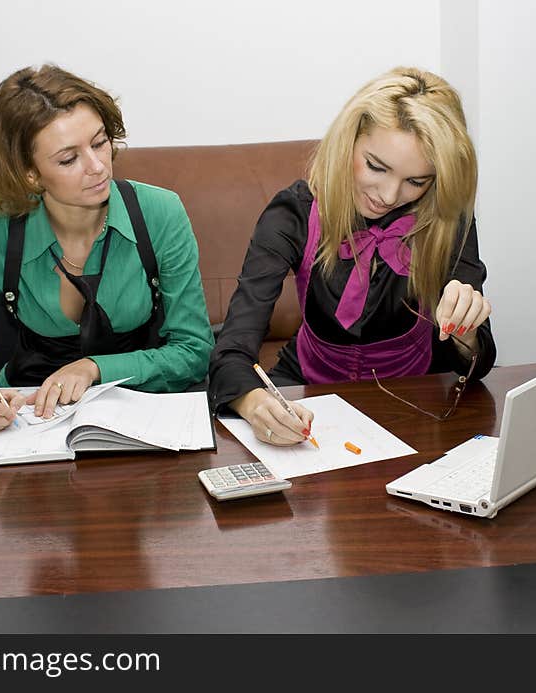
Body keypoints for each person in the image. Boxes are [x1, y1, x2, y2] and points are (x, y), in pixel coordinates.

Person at [0, 64, 214, 433]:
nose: (97, 167)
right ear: (29, 173)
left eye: (100, 142)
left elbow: (194, 351)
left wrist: (94, 368)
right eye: (68, 159)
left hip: (145, 415)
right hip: (29, 425)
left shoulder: (160, 212)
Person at [209, 66, 496, 446]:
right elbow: (232, 350)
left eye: (416, 181)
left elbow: (477, 363)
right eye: (377, 167)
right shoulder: (293, 213)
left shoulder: (448, 218)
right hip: (307, 389)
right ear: (348, 140)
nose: (390, 195)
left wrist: (466, 331)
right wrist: (255, 403)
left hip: (419, 397)